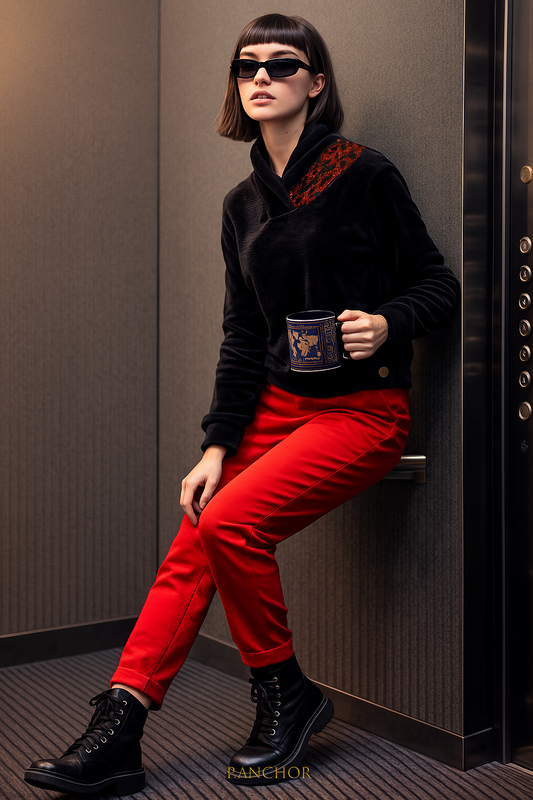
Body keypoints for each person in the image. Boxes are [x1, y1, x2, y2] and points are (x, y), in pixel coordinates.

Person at [24, 12, 460, 797]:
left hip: (360, 413)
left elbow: (438, 285)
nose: (259, 77)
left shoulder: (365, 174)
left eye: (281, 65)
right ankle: (121, 726)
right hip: (275, 408)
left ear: (315, 83)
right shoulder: (241, 204)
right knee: (198, 530)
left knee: (232, 523)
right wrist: (217, 445)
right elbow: (240, 336)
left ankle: (284, 692)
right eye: (245, 65)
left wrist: (387, 322)